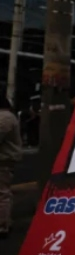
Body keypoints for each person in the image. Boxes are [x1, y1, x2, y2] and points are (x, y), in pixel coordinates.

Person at [0, 94, 23, 238]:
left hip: (4, 160)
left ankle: (2, 225)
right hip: (5, 159)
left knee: (2, 193)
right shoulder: (6, 116)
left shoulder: (4, 118)